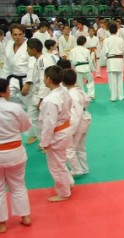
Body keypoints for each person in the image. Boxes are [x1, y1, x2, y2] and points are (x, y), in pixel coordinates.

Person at [0, 78, 32, 232]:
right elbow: (26, 126)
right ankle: (25, 216)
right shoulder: (15, 107)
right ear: (6, 91)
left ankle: (1, 224)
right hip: (15, 152)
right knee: (18, 185)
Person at [38, 65, 74, 202]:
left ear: (48, 79)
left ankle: (64, 192)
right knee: (61, 160)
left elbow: (49, 124)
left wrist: (44, 143)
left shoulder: (50, 100)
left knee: (55, 165)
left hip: (57, 133)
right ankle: (69, 182)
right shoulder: (64, 91)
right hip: (65, 129)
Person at [62, 69, 91, 177]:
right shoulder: (79, 90)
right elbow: (87, 101)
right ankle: (84, 168)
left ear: (63, 82)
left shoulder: (72, 95)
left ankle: (76, 170)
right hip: (85, 119)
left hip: (78, 122)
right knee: (80, 147)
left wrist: (71, 130)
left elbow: (75, 115)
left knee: (69, 149)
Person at [1, 26, 30, 107]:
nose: (18, 37)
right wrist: (4, 81)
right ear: (11, 35)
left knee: (29, 104)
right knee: (5, 99)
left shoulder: (29, 45)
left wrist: (28, 83)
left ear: (24, 34)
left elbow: (32, 67)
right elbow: (6, 65)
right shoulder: (9, 45)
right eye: (15, 34)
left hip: (26, 79)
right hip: (13, 79)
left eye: (20, 34)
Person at [100, 23, 124, 101]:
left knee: (112, 80)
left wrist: (102, 62)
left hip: (111, 61)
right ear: (117, 30)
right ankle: (121, 96)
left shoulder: (107, 40)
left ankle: (113, 96)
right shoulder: (121, 39)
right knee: (120, 80)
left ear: (109, 31)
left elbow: (104, 52)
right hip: (120, 60)